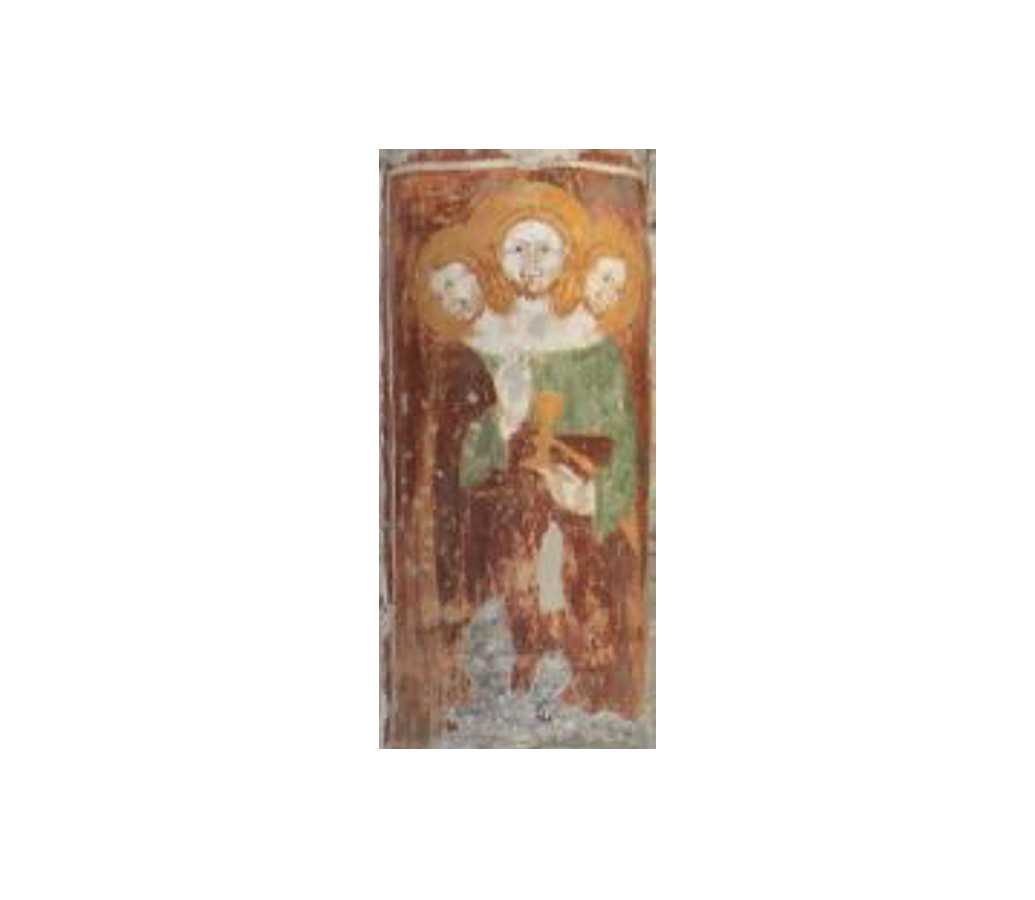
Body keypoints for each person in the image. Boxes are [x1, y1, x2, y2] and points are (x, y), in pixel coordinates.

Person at [456, 184, 643, 712]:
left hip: (575, 513)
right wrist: (503, 421)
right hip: (507, 519)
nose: (533, 263)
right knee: (514, 592)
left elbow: (625, 446)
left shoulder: (595, 347)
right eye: (519, 248)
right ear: (496, 259)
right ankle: (513, 673)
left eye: (546, 249)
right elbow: (457, 457)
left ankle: (572, 682)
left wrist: (591, 494)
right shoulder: (480, 343)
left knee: (572, 595)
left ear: (568, 261)